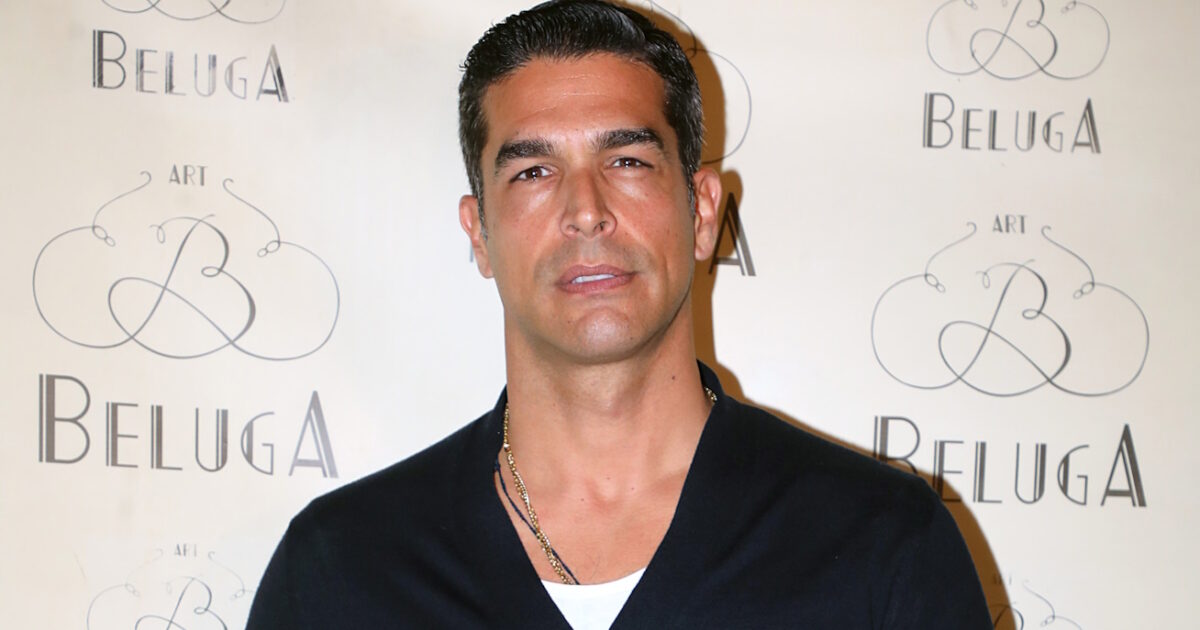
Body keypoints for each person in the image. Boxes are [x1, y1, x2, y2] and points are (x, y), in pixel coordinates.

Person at [246, 1, 993, 628]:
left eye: (627, 161)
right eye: (534, 171)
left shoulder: (882, 545)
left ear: (703, 211)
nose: (586, 210)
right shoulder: (340, 571)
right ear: (479, 233)